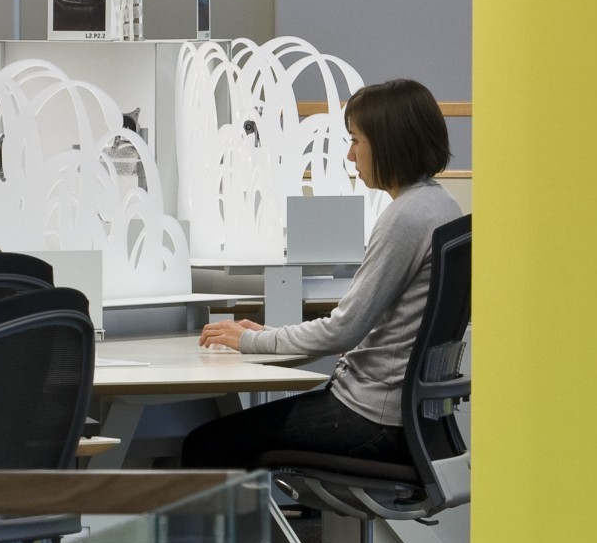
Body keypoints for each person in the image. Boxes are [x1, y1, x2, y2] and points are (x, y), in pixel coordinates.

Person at [182, 79, 462, 470]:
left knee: (205, 444)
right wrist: (266, 335)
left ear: (388, 143)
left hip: (373, 418)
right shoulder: (442, 206)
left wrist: (249, 340)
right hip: (410, 418)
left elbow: (342, 331)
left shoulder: (405, 218)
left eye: (356, 141)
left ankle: (245, 533)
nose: (351, 156)